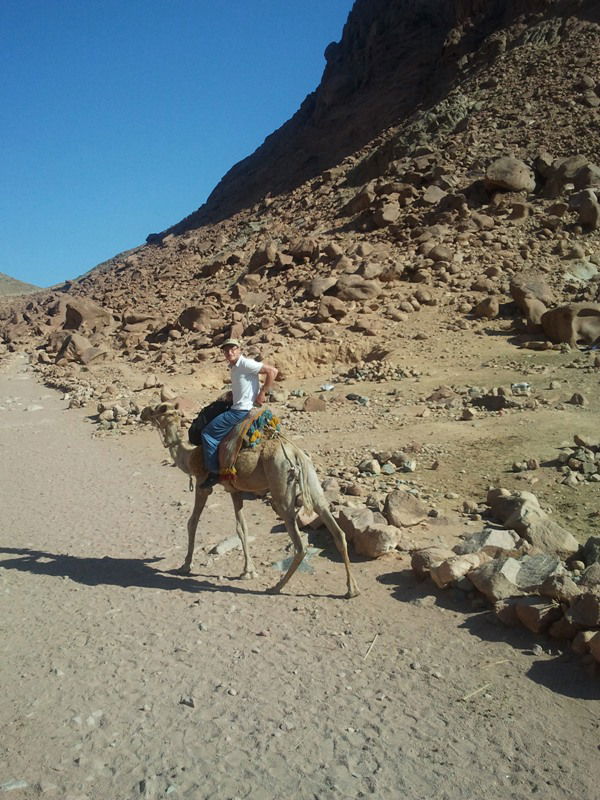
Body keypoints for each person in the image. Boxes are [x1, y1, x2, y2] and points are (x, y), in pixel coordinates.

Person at [200, 339, 278, 488]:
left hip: (240, 411)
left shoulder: (244, 363)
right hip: (240, 406)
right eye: (226, 350)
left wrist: (263, 393)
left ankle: (215, 472)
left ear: (239, 350)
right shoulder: (235, 367)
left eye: (233, 349)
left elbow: (272, 371)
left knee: (208, 434)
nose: (230, 352)